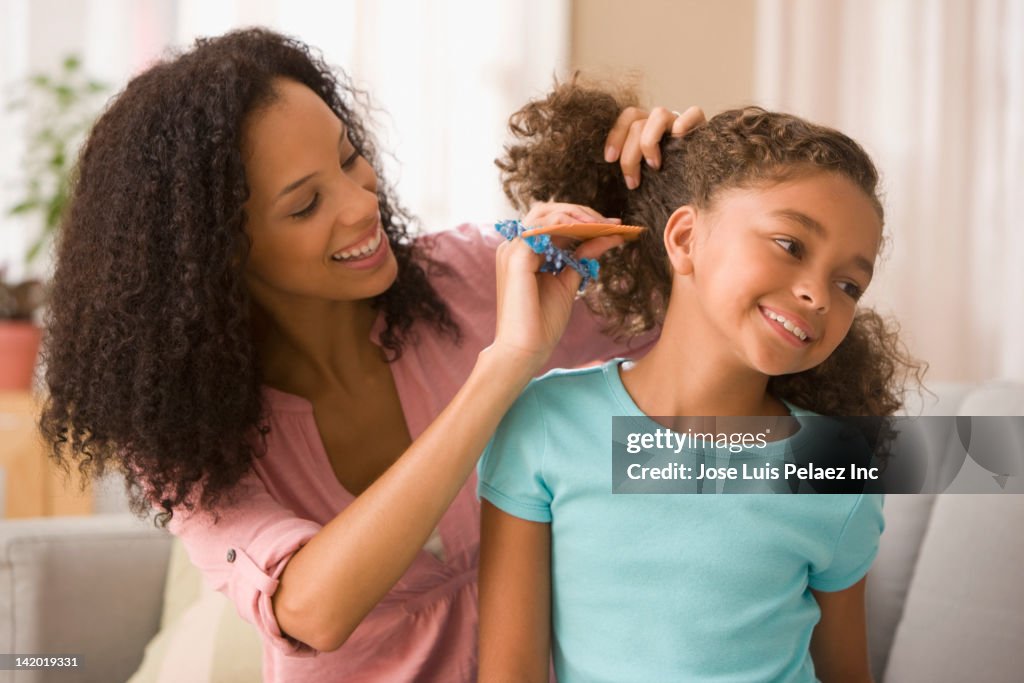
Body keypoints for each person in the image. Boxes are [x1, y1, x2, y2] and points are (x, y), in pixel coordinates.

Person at [38, 29, 701, 681]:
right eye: (305, 205)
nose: (363, 204)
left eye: (351, 158)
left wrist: (678, 189)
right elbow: (310, 611)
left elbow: (711, 335)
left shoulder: (474, 276)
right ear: (218, 257)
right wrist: (503, 367)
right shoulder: (186, 437)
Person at [478, 80, 923, 682]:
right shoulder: (544, 424)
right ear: (686, 238)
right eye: (790, 245)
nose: (819, 294)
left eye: (849, 285)